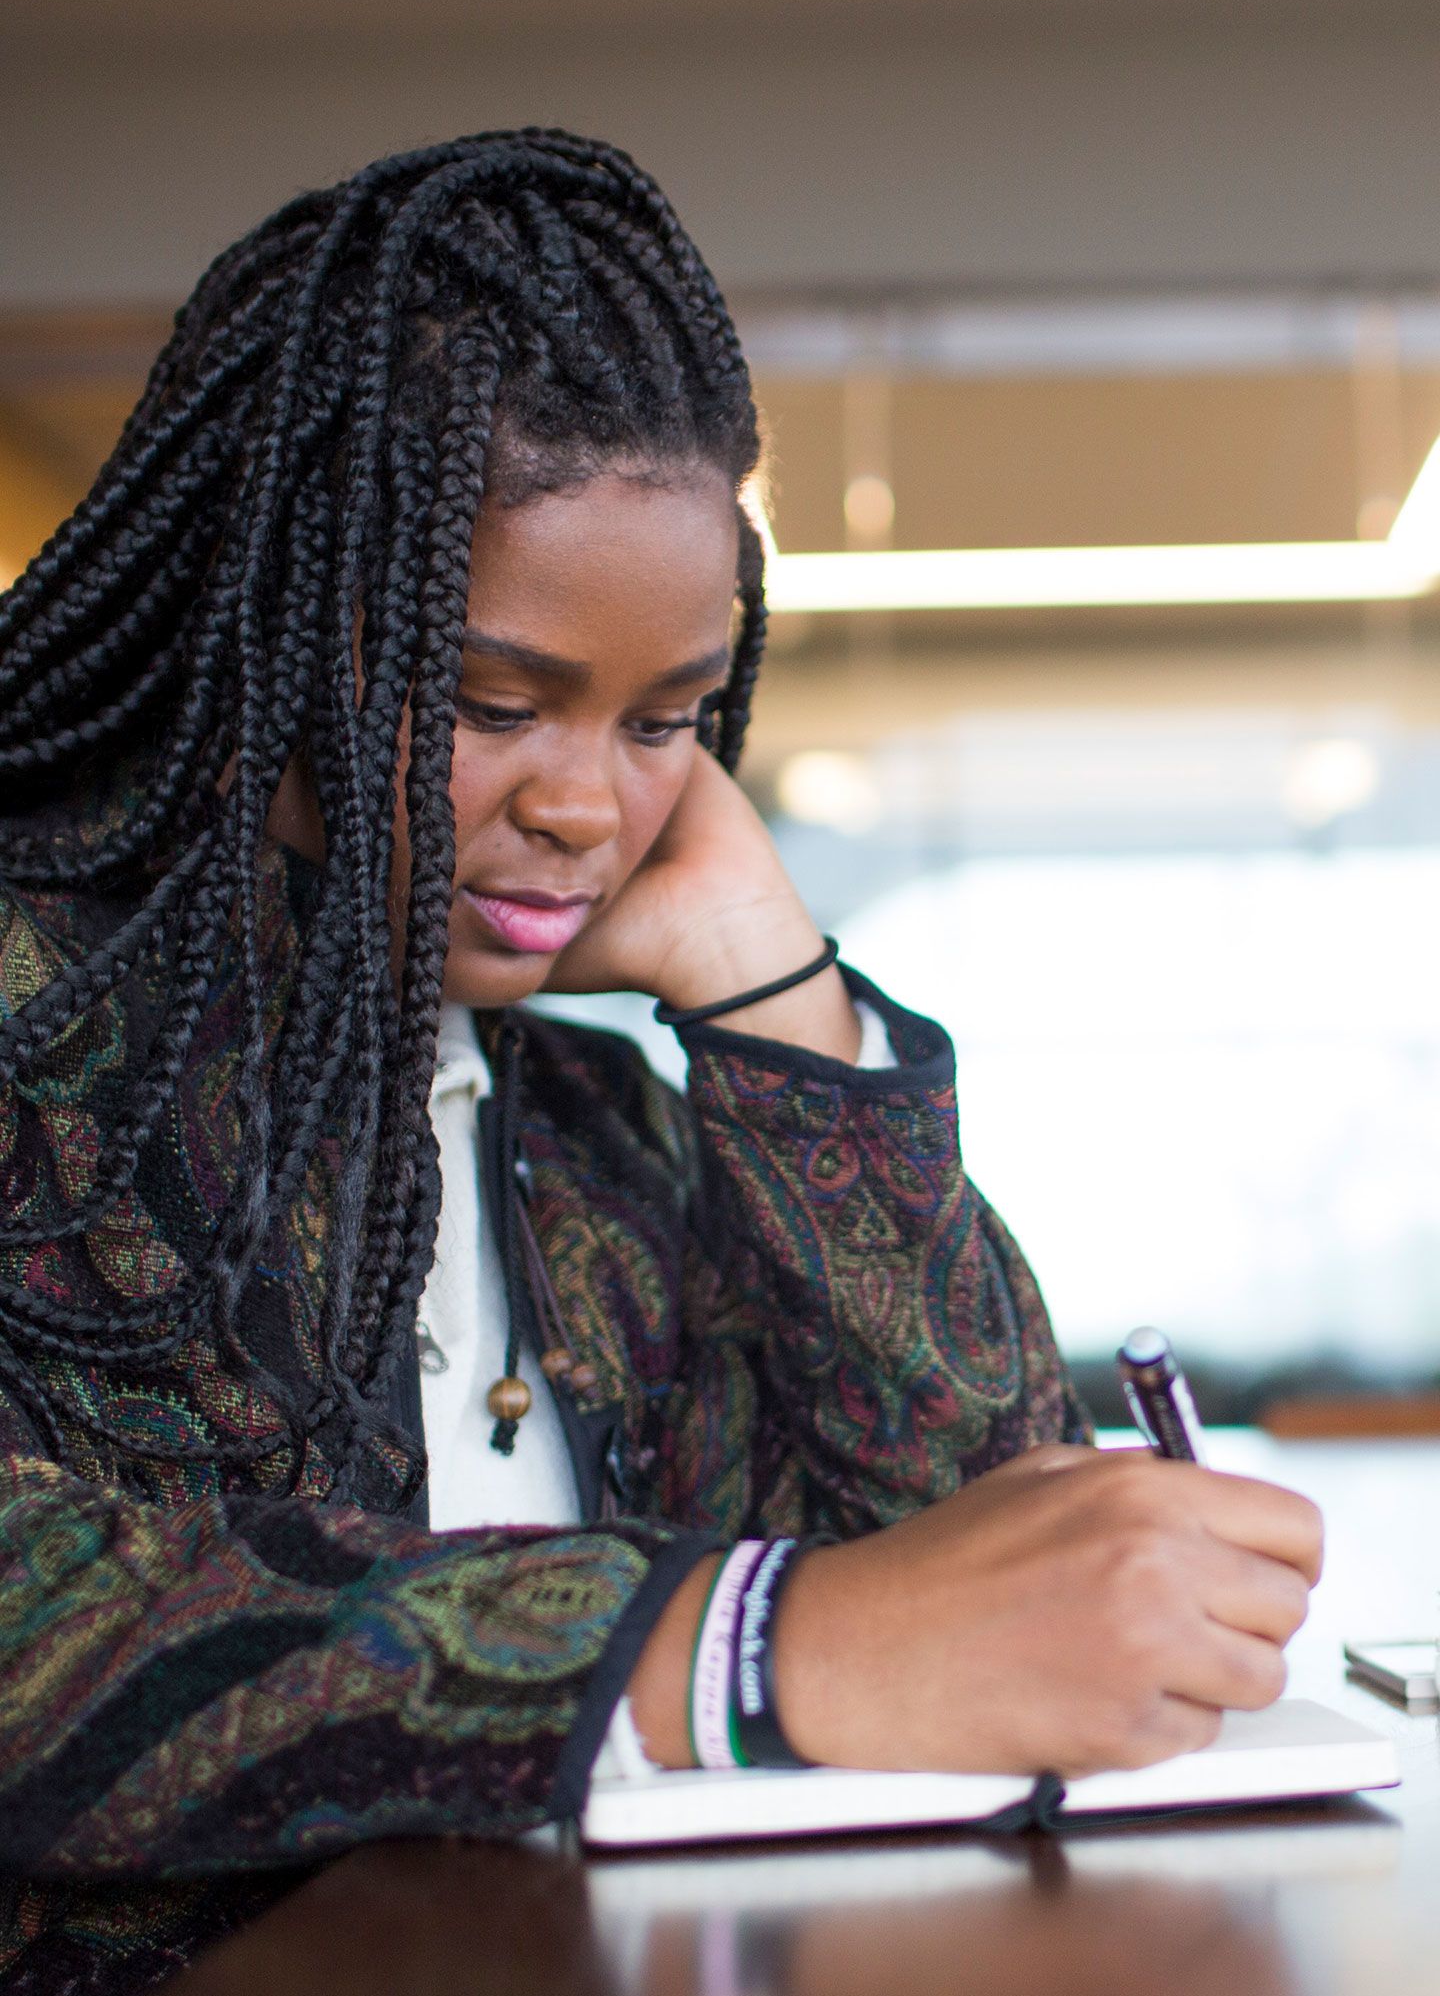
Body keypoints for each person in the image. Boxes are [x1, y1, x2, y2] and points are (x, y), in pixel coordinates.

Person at [0, 131, 1321, 1880]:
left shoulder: (591, 1128)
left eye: (657, 721)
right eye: (491, 701)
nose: (584, 809)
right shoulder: (49, 1035)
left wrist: (777, 1003)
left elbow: (989, 1561)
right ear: (275, 626)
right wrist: (745, 1647)